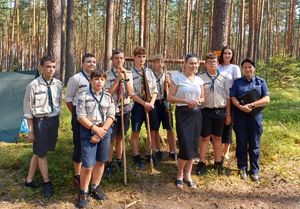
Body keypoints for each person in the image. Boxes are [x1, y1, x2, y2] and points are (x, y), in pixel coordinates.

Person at [23, 55, 62, 197]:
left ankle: (29, 180)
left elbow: (58, 103)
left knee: (39, 151)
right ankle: (47, 182)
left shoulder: (58, 83)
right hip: (39, 122)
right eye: (48, 66)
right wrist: (31, 131)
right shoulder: (33, 85)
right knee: (41, 153)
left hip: (53, 120)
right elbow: (27, 111)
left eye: (53, 66)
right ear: (41, 67)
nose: (51, 69)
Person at [75, 70, 115, 208]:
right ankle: (83, 191)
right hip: (88, 131)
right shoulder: (83, 96)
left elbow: (111, 116)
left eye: (102, 79)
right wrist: (95, 130)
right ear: (91, 80)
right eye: (96, 79)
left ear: (105, 82)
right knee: (87, 164)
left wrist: (101, 131)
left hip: (104, 131)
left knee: (101, 161)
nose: (99, 82)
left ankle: (95, 187)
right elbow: (80, 116)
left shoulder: (108, 97)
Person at [168, 54, 204, 189]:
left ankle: (188, 175)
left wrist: (197, 101)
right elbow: (170, 97)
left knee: (194, 145)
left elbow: (202, 98)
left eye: (195, 63)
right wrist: (185, 101)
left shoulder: (199, 80)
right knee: (185, 144)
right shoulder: (177, 78)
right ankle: (179, 175)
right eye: (191, 63)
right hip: (183, 113)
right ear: (184, 64)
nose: (193, 65)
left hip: (196, 114)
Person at [230, 58, 270, 181]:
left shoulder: (261, 82)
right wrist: (241, 107)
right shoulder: (237, 83)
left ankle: (254, 171)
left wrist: (252, 105)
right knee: (241, 143)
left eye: (250, 67)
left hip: (255, 117)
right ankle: (242, 168)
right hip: (240, 116)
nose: (247, 69)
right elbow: (233, 97)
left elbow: (266, 99)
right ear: (242, 69)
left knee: (255, 144)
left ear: (254, 68)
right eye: (245, 67)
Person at [65, 53, 96, 188]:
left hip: (94, 117)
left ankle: (90, 174)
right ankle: (77, 176)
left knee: (91, 144)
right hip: (79, 117)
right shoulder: (75, 79)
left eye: (94, 62)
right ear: (82, 63)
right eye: (88, 62)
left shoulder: (97, 78)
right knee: (78, 145)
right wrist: (77, 115)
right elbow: (68, 100)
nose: (91, 64)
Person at [197, 53, 231, 176]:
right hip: (205, 110)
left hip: (219, 111)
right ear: (205, 64)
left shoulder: (223, 78)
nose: (213, 64)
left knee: (217, 137)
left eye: (215, 62)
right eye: (210, 62)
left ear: (218, 63)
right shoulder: (200, 78)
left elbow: (228, 97)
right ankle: (201, 162)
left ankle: (217, 162)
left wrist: (228, 114)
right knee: (204, 137)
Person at [104, 49, 134, 177]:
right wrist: (117, 80)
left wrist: (125, 79)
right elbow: (107, 94)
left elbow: (131, 92)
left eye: (121, 58)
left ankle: (119, 160)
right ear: (112, 60)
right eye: (116, 58)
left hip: (125, 107)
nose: (119, 60)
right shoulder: (106, 75)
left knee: (121, 137)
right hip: (112, 109)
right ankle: (109, 163)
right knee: (111, 138)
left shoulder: (129, 73)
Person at [129, 46, 158, 169]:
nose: (141, 59)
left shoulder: (150, 73)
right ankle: (136, 156)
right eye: (139, 56)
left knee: (152, 130)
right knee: (135, 131)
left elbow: (155, 91)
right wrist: (143, 104)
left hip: (150, 105)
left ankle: (149, 153)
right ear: (134, 58)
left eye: (144, 56)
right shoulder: (129, 73)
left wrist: (150, 103)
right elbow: (131, 93)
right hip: (138, 105)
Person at [150, 54, 176, 166]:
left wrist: (168, 84)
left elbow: (172, 89)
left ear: (164, 64)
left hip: (165, 102)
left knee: (169, 127)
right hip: (155, 102)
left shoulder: (168, 74)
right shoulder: (150, 75)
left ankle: (172, 150)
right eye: (157, 62)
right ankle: (158, 150)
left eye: (161, 62)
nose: (159, 64)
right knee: (155, 128)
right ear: (153, 64)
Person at [218, 46, 241, 161]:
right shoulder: (218, 66)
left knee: (228, 124)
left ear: (232, 55)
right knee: (219, 124)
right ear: (221, 55)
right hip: (219, 99)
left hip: (230, 99)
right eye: (225, 53)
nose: (226, 55)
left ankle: (226, 151)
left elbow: (238, 85)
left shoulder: (234, 68)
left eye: (229, 53)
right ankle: (218, 148)